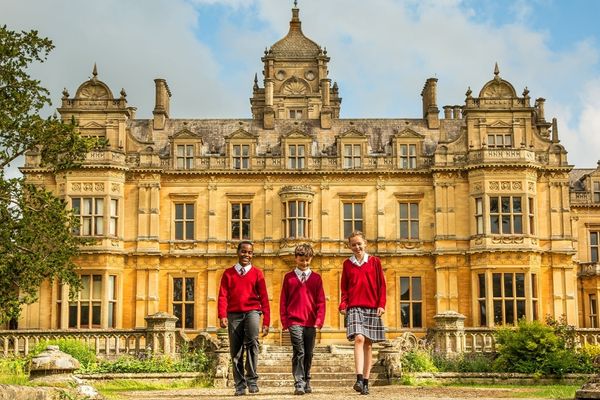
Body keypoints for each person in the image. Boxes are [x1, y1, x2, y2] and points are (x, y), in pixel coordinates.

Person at [218, 241, 270, 396]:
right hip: (234, 314)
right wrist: (222, 315)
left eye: (249, 252)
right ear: (238, 252)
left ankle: (252, 380)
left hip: (253, 311)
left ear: (252, 255)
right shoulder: (228, 273)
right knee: (236, 350)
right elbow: (222, 296)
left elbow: (265, 299)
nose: (246, 255)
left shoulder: (257, 273)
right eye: (244, 251)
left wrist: (266, 321)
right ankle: (240, 385)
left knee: (253, 342)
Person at [338, 231, 386, 396]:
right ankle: (358, 378)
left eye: (359, 244)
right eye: (353, 245)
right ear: (349, 246)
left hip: (372, 306)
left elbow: (382, 286)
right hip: (355, 306)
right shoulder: (347, 264)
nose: (357, 247)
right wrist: (343, 303)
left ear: (365, 243)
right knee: (359, 338)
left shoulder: (375, 262)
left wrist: (381, 304)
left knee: (368, 344)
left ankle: (366, 381)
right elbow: (344, 287)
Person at [280, 243, 326, 395]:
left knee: (309, 353)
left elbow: (321, 302)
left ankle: (307, 378)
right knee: (298, 351)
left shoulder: (316, 278)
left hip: (311, 322)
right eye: (301, 260)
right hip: (294, 321)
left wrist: (319, 321)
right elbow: (283, 301)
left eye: (307, 260)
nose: (304, 263)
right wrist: (285, 321)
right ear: (296, 259)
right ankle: (299, 382)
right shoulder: (289, 278)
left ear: (310, 259)